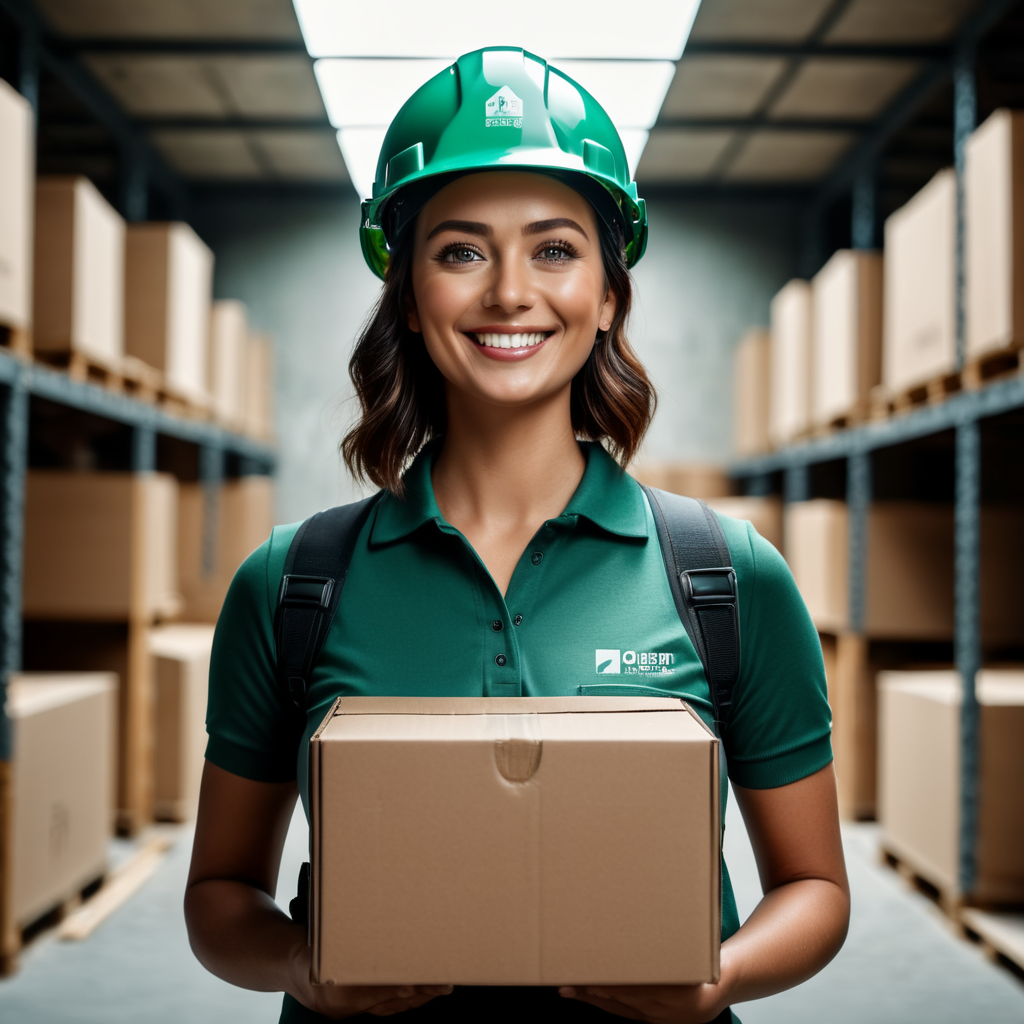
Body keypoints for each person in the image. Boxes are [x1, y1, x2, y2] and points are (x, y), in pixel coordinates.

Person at [185, 46, 849, 1024]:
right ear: (408, 297)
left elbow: (816, 890)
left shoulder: (721, 576)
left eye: (553, 248)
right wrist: (297, 963)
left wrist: (723, 976)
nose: (507, 293)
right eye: (460, 250)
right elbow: (217, 898)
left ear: (609, 293)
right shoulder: (293, 584)